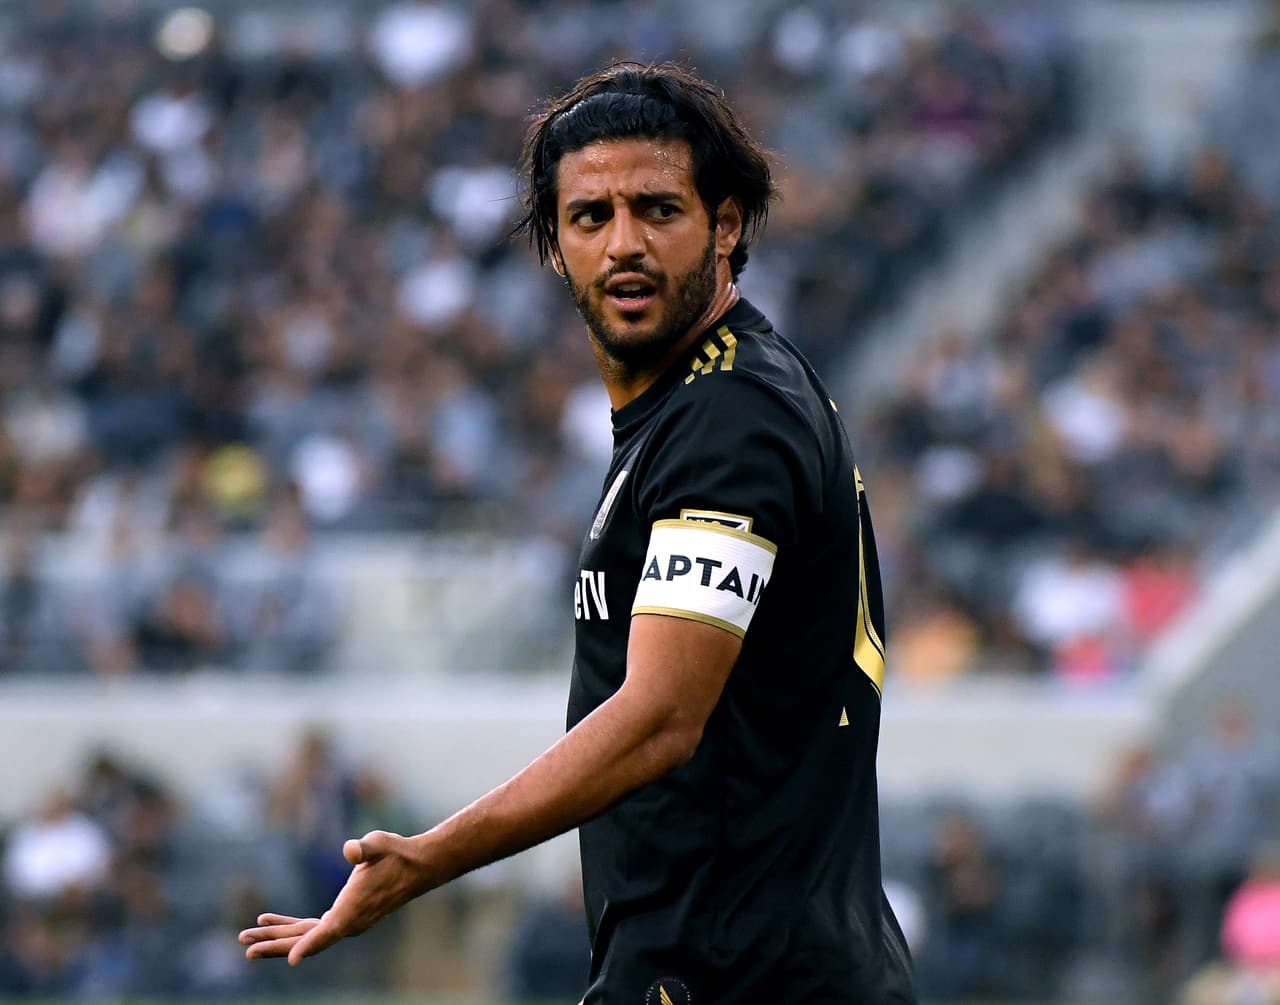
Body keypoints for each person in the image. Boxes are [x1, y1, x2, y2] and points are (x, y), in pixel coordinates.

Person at [239, 60, 917, 1004]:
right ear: (556, 246)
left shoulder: (728, 419)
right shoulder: (694, 405)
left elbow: (659, 718)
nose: (624, 244)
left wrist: (430, 856)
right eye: (591, 217)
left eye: (659, 209)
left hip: (745, 977)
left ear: (725, 225)